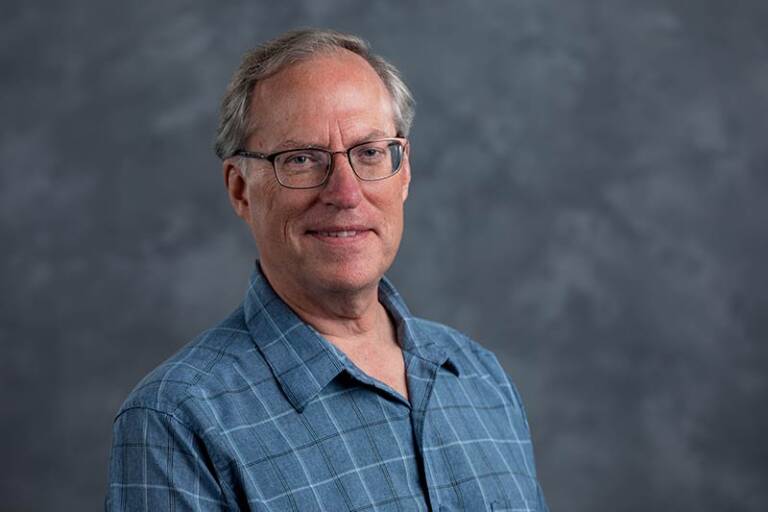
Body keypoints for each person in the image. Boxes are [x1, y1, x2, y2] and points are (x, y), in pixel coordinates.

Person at [106, 28, 549, 511]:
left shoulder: (479, 377)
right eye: (301, 159)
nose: (344, 192)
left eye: (370, 153)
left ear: (403, 173)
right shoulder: (177, 420)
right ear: (240, 189)